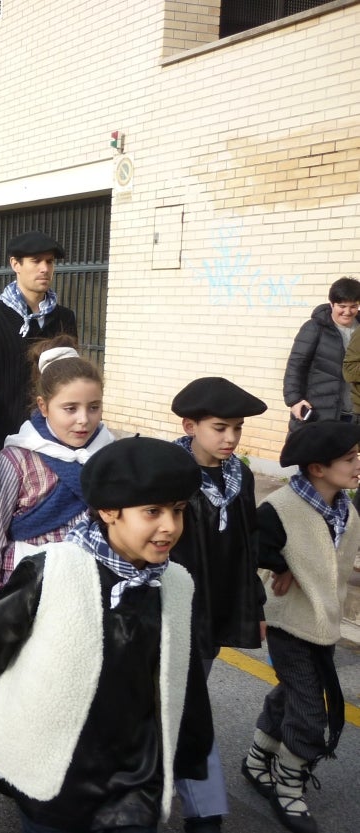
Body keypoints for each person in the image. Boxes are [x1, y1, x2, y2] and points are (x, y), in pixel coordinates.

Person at [0, 436, 214, 833]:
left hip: (136, 775)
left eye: (178, 510)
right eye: (152, 511)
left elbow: (181, 677)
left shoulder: (175, 584)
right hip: (62, 772)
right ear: (108, 511)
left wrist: (189, 750)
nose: (169, 526)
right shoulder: (56, 569)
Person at [242, 421, 360, 833]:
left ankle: (258, 761)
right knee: (311, 712)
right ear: (317, 468)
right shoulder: (283, 508)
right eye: (349, 458)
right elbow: (252, 545)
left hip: (322, 625)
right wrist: (281, 563)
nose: (357, 463)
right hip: (288, 625)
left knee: (291, 693)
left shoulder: (346, 509)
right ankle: (288, 787)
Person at [169, 377, 269, 833]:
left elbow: (247, 540)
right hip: (171, 607)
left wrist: (256, 602)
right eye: (220, 428)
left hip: (214, 607)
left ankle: (191, 799)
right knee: (174, 703)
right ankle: (198, 806)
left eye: (238, 429)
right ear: (190, 425)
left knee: (188, 701)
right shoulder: (169, 470)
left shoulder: (239, 475)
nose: (230, 439)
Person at [0, 336, 114, 601]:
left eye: (94, 407)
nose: (84, 420)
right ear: (43, 406)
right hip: (29, 589)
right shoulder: (18, 458)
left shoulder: (109, 455)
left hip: (91, 586)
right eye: (70, 409)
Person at [0, 230, 78, 456]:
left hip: (54, 444)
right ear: (15, 264)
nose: (45, 268)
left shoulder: (65, 318)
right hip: (5, 444)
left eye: (49, 261)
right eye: (36, 261)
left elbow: (71, 382)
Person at [284, 276, 360, 430]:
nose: (348, 311)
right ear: (331, 304)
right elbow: (296, 365)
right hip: (319, 412)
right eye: (342, 306)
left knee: (346, 454)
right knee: (310, 453)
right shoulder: (315, 328)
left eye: (354, 306)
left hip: (352, 413)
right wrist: (294, 400)